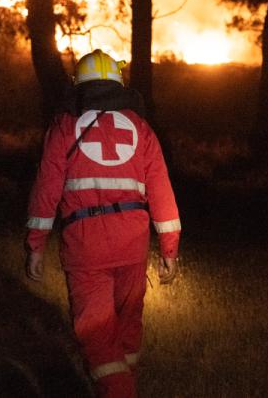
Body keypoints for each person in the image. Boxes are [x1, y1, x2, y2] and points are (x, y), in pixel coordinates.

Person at [25, 49, 181, 398]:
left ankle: (117, 391)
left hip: (86, 247)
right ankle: (120, 386)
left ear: (77, 86)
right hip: (133, 246)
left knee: (97, 338)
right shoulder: (141, 128)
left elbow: (47, 189)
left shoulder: (65, 125)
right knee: (126, 332)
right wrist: (169, 249)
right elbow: (161, 191)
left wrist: (35, 245)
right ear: (119, 84)